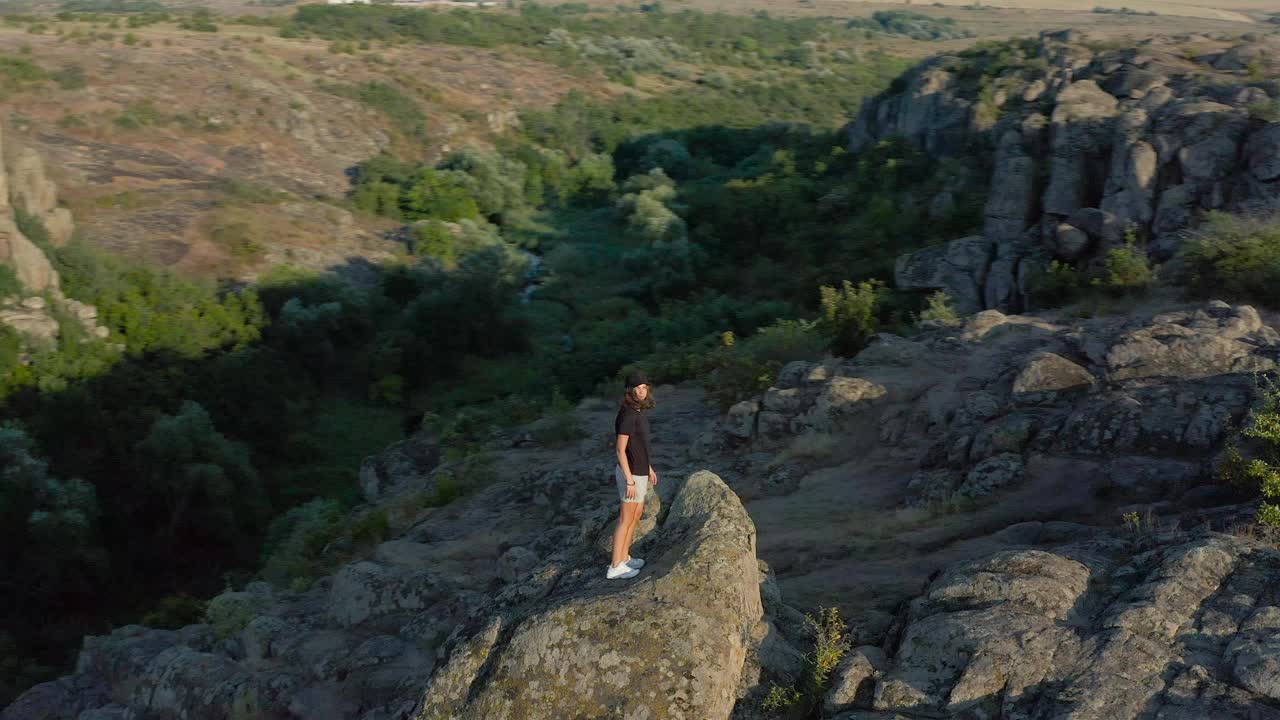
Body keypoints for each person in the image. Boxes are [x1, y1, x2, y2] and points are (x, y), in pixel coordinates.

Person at [607, 370, 657, 580]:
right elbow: (620, 450)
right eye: (638, 388)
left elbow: (639, 446)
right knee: (625, 519)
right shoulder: (627, 415)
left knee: (635, 516)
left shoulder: (636, 412)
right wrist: (629, 479)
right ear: (630, 391)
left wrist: (649, 468)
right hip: (631, 475)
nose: (642, 391)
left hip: (640, 471)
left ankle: (625, 557)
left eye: (644, 387)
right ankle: (615, 566)